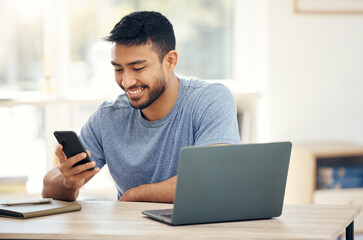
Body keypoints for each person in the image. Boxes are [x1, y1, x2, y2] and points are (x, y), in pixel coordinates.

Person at [42, 11, 240, 203]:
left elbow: (212, 179)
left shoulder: (210, 100)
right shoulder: (108, 117)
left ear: (170, 61)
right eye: (118, 69)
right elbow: (48, 186)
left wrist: (133, 195)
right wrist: (68, 183)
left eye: (138, 68)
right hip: (133, 232)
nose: (126, 82)